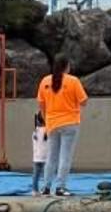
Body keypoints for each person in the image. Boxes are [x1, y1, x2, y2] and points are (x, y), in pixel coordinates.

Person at [37, 54, 88, 196]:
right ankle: (60, 187)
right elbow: (83, 101)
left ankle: (46, 187)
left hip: (52, 123)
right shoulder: (73, 81)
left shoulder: (45, 81)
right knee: (65, 156)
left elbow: (41, 103)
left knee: (51, 156)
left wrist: (47, 117)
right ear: (67, 67)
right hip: (70, 122)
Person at [30, 112, 48, 197]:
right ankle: (45, 189)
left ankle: (34, 190)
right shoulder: (46, 131)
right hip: (45, 157)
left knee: (35, 175)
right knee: (46, 175)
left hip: (36, 157)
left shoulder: (35, 131)